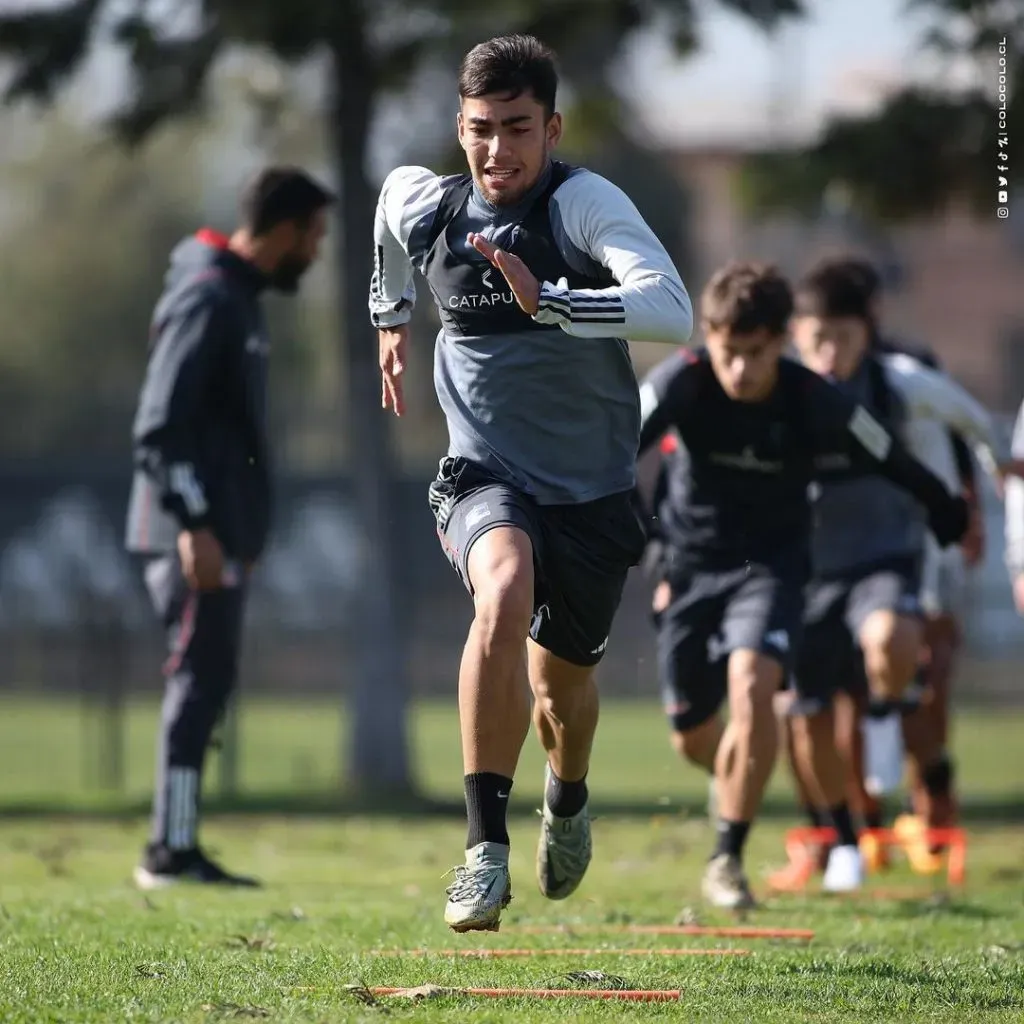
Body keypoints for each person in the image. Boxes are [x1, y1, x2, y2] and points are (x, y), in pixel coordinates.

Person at [368, 34, 693, 933]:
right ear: (459, 128)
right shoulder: (424, 201)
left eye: (517, 129)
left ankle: (570, 795)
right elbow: (388, 227)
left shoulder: (585, 205)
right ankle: (482, 850)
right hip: (483, 471)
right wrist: (390, 316)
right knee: (501, 590)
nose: (497, 151)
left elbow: (673, 309)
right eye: (480, 130)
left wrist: (549, 299)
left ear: (551, 129)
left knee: (563, 697)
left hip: (590, 492)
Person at [636, 261, 969, 909]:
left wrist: (942, 503)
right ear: (707, 336)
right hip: (692, 567)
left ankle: (727, 858)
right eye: (728, 353)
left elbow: (885, 451)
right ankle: (731, 782)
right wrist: (646, 549)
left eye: (755, 356)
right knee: (695, 739)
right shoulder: (680, 381)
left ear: (783, 341)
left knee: (757, 687)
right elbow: (612, 449)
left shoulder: (812, 396)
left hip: (772, 568)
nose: (739, 371)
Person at [125, 166, 333, 889]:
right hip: (189, 539)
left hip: (220, 536)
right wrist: (199, 526)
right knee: (195, 681)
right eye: (314, 236)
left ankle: (177, 843)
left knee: (207, 681)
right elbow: (159, 429)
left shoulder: (239, 299)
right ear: (284, 230)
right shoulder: (208, 297)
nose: (317, 252)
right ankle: (169, 852)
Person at [784, 258, 1020, 891]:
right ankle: (838, 837)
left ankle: (919, 775)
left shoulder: (901, 382)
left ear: (869, 329)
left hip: (895, 557)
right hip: (806, 571)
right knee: (802, 711)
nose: (829, 353)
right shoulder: (778, 388)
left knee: (906, 659)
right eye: (816, 339)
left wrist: (999, 471)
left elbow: (971, 421)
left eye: (843, 336)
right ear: (796, 336)